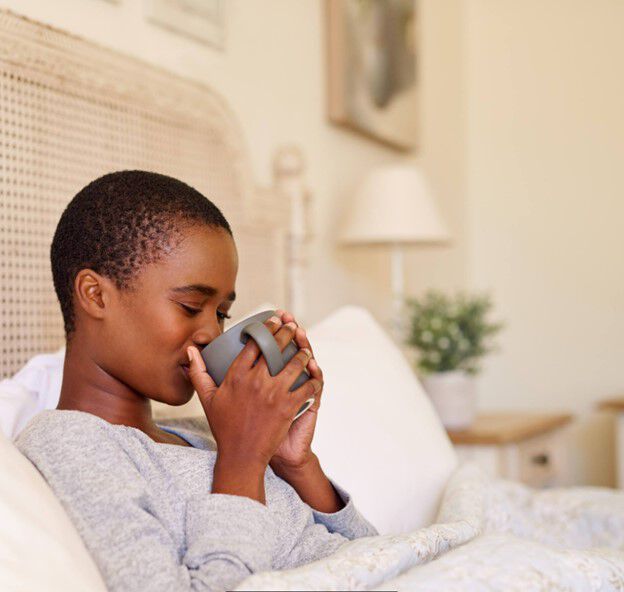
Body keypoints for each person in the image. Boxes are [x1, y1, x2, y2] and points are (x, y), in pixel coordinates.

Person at [15, 170, 378, 592]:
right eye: (190, 306)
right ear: (95, 295)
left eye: (221, 313)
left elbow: (376, 555)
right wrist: (242, 459)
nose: (211, 334)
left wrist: (293, 464)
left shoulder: (202, 432)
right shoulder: (70, 442)